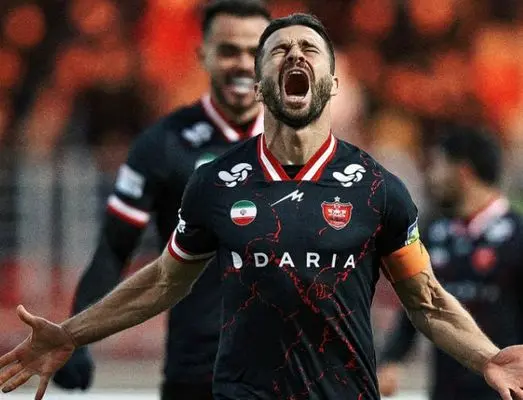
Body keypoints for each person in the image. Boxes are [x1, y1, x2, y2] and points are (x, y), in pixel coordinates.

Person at [2, 13, 523, 400]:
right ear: (258, 85)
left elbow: (427, 301)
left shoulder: (377, 188)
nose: (295, 56)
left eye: (310, 49)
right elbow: (162, 281)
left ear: (333, 84)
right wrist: (70, 333)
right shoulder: (214, 183)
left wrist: (487, 359)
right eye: (279, 50)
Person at [50, 1, 270, 399]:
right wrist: (76, 337)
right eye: (228, 51)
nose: (242, 64)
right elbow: (114, 248)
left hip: (288, 374)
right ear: (203, 54)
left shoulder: (304, 144)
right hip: (197, 374)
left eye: (254, 52)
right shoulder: (164, 144)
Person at [377, 126, 523, 400]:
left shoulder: (518, 235)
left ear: (463, 172)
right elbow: (419, 303)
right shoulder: (434, 233)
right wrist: (392, 358)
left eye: (438, 165)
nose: (431, 176)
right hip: (446, 391)